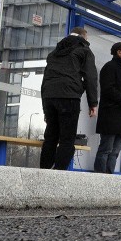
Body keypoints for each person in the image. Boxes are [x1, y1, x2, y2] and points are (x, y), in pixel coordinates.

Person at [40, 27, 99, 171]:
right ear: (83, 37)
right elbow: (91, 78)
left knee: (50, 137)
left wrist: (45, 108)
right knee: (67, 138)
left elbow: (45, 79)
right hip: (69, 97)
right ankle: (58, 174)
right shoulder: (84, 50)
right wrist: (93, 103)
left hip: (49, 96)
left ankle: (43, 172)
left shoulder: (54, 53)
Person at [93, 42, 121, 174]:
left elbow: (118, 90)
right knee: (106, 149)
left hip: (120, 117)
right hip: (110, 115)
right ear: (119, 52)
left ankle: (109, 178)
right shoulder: (109, 67)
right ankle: (100, 177)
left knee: (114, 152)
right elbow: (108, 90)